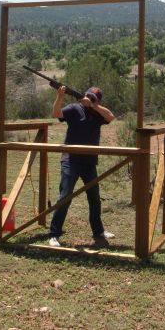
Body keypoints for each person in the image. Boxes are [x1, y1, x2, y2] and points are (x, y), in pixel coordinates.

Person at [48, 85, 116, 247]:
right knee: (65, 197)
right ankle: (54, 234)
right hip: (70, 160)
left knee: (94, 199)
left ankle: (98, 231)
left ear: (97, 101)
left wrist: (94, 106)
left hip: (89, 162)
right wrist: (60, 96)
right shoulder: (74, 108)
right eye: (89, 97)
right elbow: (56, 114)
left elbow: (111, 117)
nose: (89, 99)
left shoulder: (97, 112)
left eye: (93, 98)